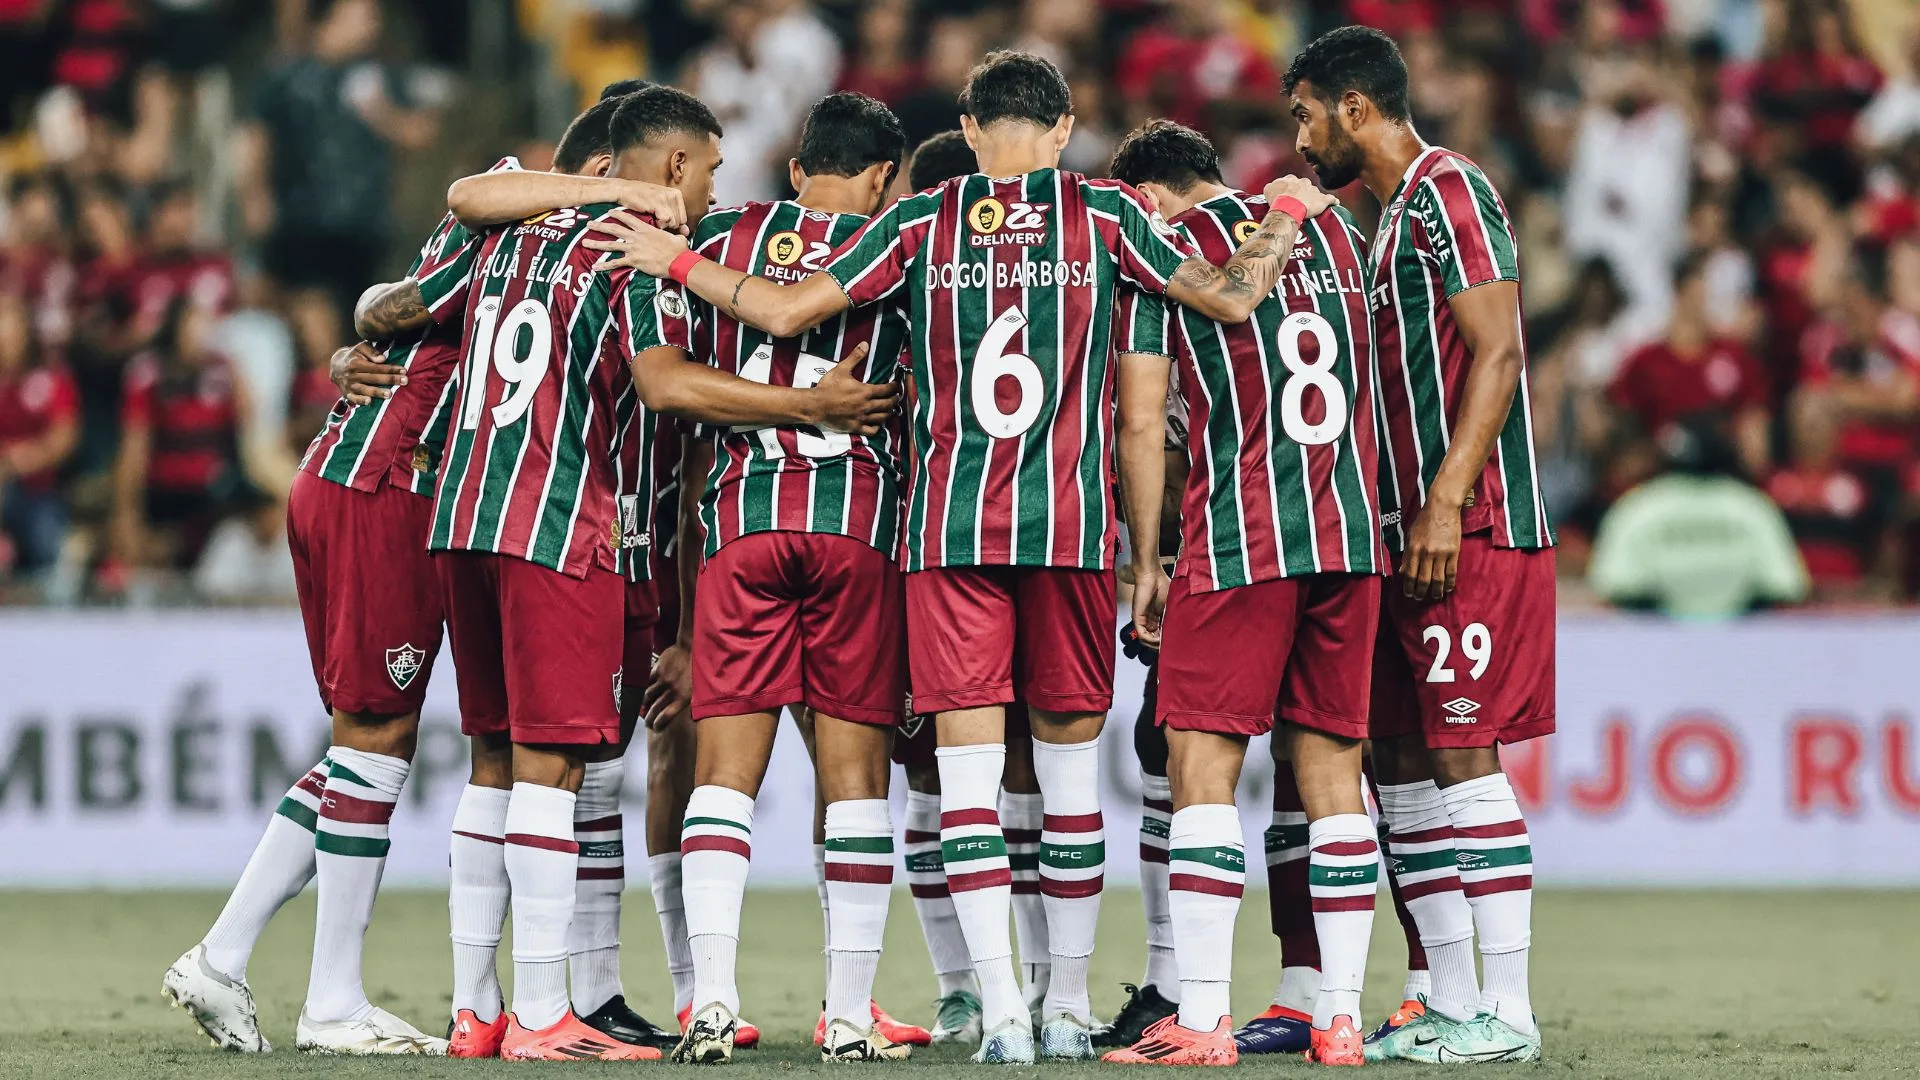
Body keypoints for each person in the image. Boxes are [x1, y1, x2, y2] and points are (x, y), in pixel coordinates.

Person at [585, 49, 1332, 1064]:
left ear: (970, 132)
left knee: (966, 790)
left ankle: (1001, 1016)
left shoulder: (918, 222)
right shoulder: (1108, 214)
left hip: (946, 536)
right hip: (1065, 534)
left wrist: (671, 262)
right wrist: (1283, 214)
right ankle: (1064, 1006)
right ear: (1064, 131)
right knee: (1068, 788)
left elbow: (785, 311)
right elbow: (1229, 304)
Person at [354, 82, 896, 1062]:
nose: (713, 189)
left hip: (464, 513)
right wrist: (807, 409)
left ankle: (477, 1009)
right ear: (676, 166)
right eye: (710, 170)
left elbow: (427, 255)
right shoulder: (636, 248)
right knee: (554, 769)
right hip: (560, 523)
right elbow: (664, 382)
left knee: (492, 761)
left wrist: (351, 347)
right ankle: (544, 1014)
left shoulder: (507, 231)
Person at [160, 86, 693, 1057]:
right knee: (376, 743)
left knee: (368, 743)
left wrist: (357, 338)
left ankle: (226, 955)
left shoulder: (517, 235)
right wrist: (362, 338)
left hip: (369, 475)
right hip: (393, 482)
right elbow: (462, 207)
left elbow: (392, 302)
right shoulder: (534, 221)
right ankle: (330, 1000)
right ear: (604, 171)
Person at [633, 90, 919, 1065]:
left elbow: (677, 392)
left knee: (724, 778)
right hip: (855, 527)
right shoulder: (898, 246)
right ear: (882, 179)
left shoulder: (722, 236)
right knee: (856, 783)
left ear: (798, 170)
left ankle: (711, 1002)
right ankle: (847, 1016)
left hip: (741, 523)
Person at [1286, 25, 1551, 1064]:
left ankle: (1509, 1014)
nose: (1299, 140)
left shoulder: (1451, 191)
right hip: (1399, 541)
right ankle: (1450, 997)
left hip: (1468, 526)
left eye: (1305, 116)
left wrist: (1444, 500)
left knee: (1461, 752)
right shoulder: (1387, 217)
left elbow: (1500, 352)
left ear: (1354, 106)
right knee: (1397, 763)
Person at [1098, 118, 1383, 1068]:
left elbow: (1144, 423)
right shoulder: (1334, 231)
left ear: (1145, 195)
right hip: (1349, 532)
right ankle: (1339, 1018)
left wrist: (1148, 560)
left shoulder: (1161, 249)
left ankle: (1204, 1018)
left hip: (1242, 537)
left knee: (1201, 768)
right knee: (1333, 776)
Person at [1590, 420, 1809, 617]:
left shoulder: (1639, 506)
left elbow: (1614, 588)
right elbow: (1786, 587)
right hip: (1741, 641)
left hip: (1656, 641)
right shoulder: (1751, 505)